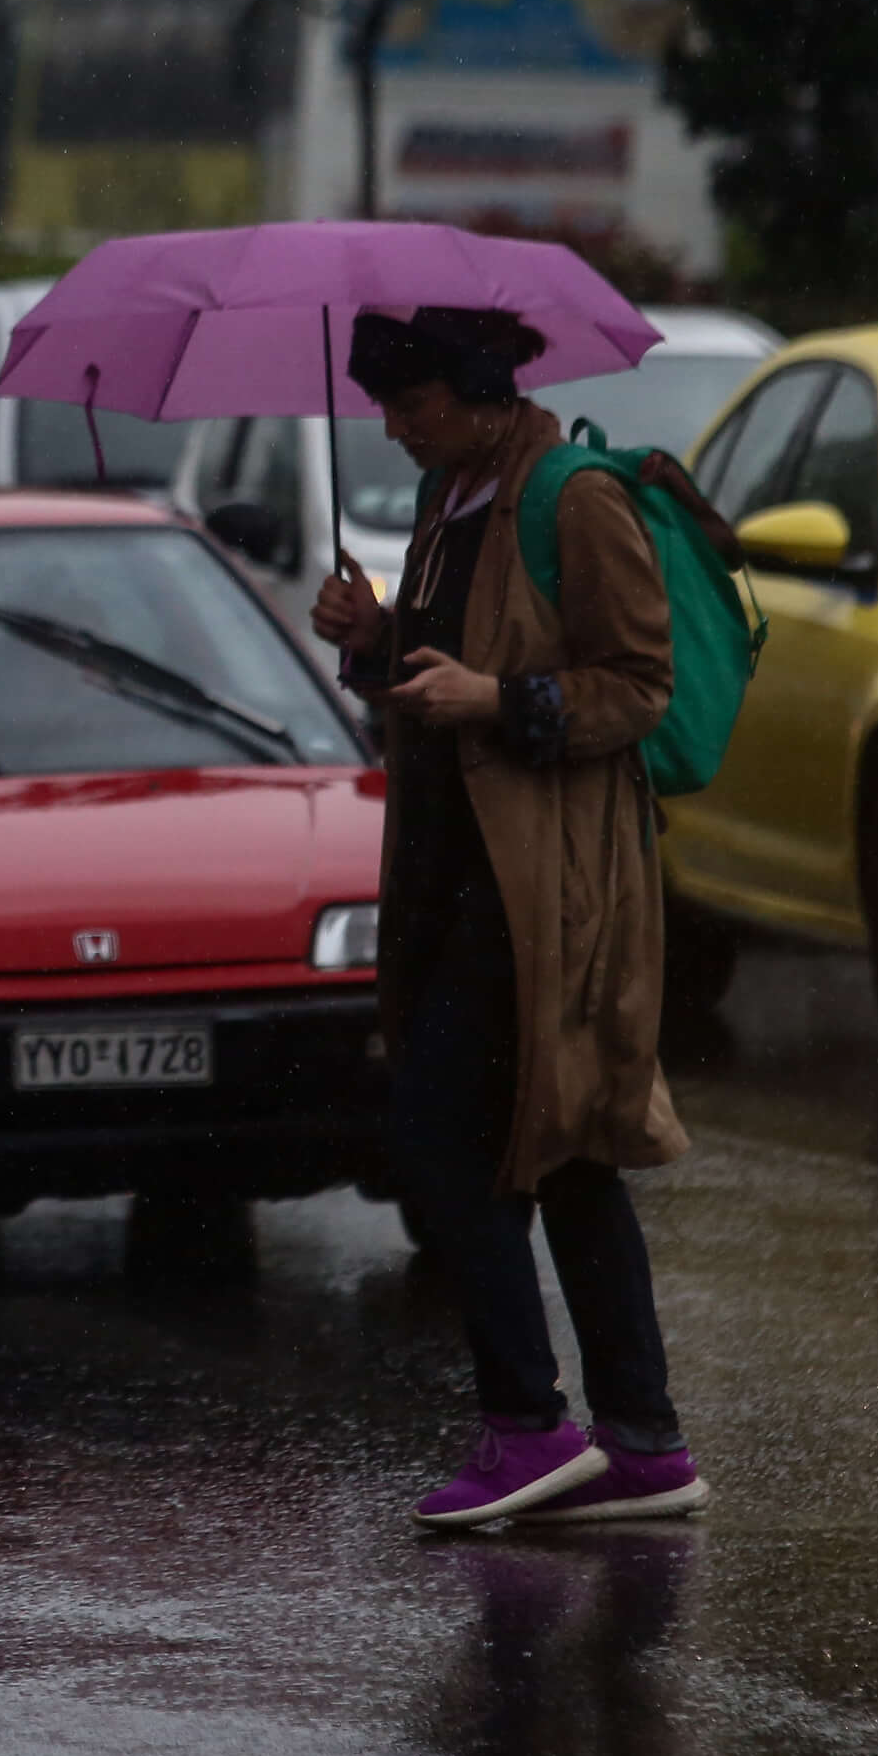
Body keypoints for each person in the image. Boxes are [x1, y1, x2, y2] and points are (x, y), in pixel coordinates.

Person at [308, 306, 708, 1529]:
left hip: (545, 877)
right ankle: (642, 1446)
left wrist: (499, 697)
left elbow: (640, 685)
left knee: (442, 1134)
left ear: (484, 393)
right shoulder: (450, 496)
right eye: (385, 405)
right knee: (568, 1148)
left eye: (416, 405)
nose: (394, 426)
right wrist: (375, 639)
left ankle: (527, 1426)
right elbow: (435, 676)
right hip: (447, 861)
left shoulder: (571, 496)